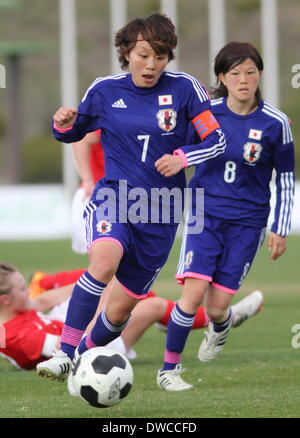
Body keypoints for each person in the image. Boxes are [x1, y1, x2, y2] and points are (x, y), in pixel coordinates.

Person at [36, 12, 227, 383]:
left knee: (120, 312)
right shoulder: (105, 90)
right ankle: (64, 352)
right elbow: (73, 131)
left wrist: (182, 157)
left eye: (159, 55)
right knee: (104, 261)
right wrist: (62, 122)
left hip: (162, 213)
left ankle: (83, 356)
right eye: (142, 55)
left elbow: (215, 141)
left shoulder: (186, 89)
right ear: (126, 53)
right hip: (116, 198)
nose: (151, 64)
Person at [156, 41, 295, 391]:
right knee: (192, 294)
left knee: (216, 309)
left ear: (259, 75)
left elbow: (287, 180)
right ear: (223, 77)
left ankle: (224, 323)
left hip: (248, 223)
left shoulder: (276, 123)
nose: (243, 79)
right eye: (235, 73)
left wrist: (280, 227)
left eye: (250, 72)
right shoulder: (208, 114)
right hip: (205, 214)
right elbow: (180, 148)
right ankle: (168, 370)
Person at [0, 263, 263, 371]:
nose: (27, 292)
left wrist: (92, 286)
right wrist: (99, 304)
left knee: (109, 279)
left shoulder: (17, 310)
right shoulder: (16, 335)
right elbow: (66, 349)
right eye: (22, 289)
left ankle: (171, 320)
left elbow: (42, 300)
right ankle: (222, 318)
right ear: (5, 301)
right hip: (87, 345)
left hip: (63, 323)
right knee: (151, 304)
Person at [71, 130, 105, 254]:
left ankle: (41, 275)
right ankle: (42, 275)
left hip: (123, 196)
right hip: (101, 197)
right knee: (104, 262)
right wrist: (87, 179)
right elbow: (81, 139)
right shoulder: (112, 114)